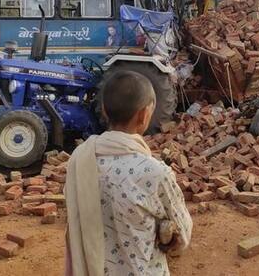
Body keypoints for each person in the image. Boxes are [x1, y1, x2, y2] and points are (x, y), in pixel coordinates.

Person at [65, 71, 192, 276]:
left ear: (105, 111)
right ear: (144, 115)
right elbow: (182, 237)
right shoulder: (156, 172)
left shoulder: (79, 159)